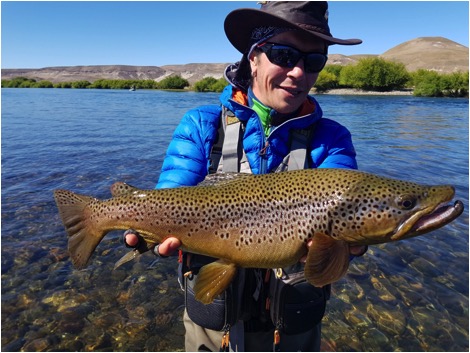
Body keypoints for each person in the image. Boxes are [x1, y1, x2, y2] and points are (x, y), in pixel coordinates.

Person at [124, 2, 366, 351]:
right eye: (284, 55)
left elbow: (349, 207)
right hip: (212, 319)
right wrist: (141, 224)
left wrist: (351, 244)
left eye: (313, 61)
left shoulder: (332, 138)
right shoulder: (202, 124)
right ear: (253, 57)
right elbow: (171, 194)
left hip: (294, 323)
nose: (299, 72)